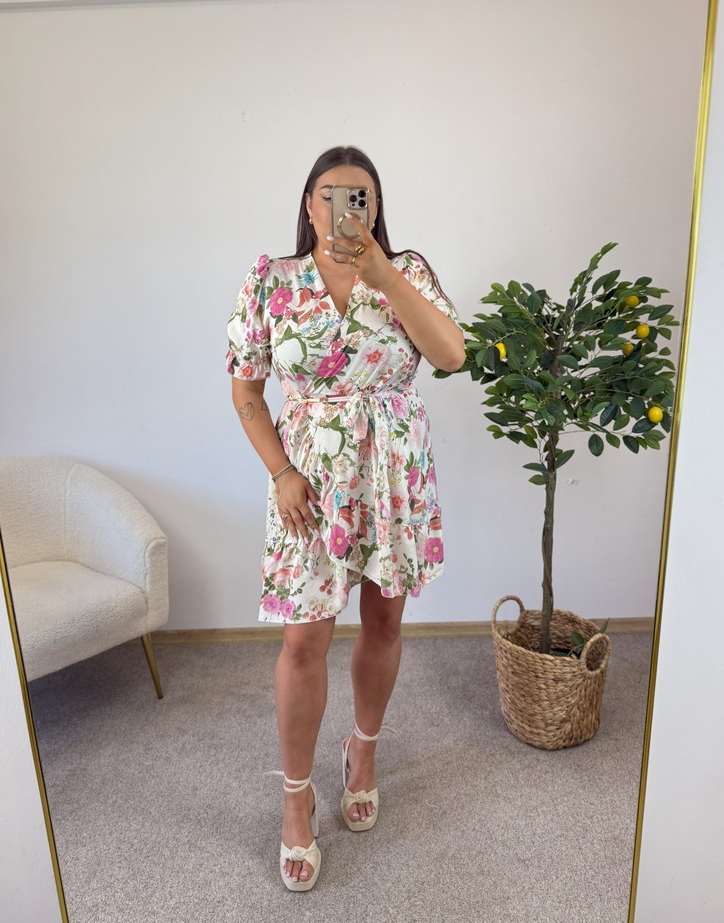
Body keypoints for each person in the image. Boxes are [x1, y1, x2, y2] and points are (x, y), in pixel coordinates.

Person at [226, 145, 464, 891]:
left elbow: (451, 356)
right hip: (308, 487)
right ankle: (296, 797)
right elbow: (247, 391)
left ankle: (362, 749)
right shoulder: (272, 280)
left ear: (375, 206)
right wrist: (282, 472)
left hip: (391, 479)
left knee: (384, 623)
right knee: (304, 641)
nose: (342, 208)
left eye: (358, 195)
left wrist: (382, 276)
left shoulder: (407, 271)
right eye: (329, 194)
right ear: (309, 204)